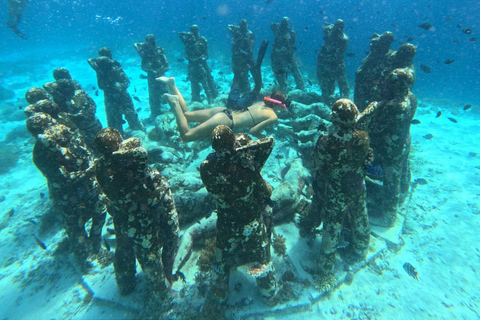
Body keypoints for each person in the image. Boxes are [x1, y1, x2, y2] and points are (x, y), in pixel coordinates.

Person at [200, 125, 279, 309]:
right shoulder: (245, 168)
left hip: (226, 221)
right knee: (262, 259)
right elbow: (266, 190)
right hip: (250, 221)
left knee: (221, 261)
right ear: (233, 144)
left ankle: (219, 294)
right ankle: (269, 294)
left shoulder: (206, 168)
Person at [94, 127, 180, 296]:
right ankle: (162, 293)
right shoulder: (128, 162)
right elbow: (148, 188)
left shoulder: (100, 167)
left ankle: (125, 284)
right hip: (142, 219)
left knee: (124, 247)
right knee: (150, 255)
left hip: (122, 216)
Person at [302, 99, 372, 291]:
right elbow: (365, 157)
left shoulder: (326, 140)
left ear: (335, 118)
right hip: (358, 184)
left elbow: (316, 163)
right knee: (360, 215)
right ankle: (360, 249)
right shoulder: (363, 135)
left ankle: (326, 271)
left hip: (336, 189)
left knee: (332, 227)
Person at [25, 112, 106, 268]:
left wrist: (87, 172)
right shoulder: (69, 134)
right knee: (96, 214)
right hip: (88, 186)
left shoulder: (39, 152)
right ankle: (94, 248)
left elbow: (60, 178)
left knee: (76, 227)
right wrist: (90, 172)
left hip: (67, 195)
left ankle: (87, 256)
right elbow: (86, 157)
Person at [158, 76, 289, 142]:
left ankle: (172, 85)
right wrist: (263, 138)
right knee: (186, 136)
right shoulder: (273, 117)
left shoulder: (261, 103)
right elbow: (253, 130)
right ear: (279, 104)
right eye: (285, 104)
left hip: (222, 111)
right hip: (227, 121)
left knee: (186, 114)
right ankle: (174, 103)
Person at [366, 68, 417, 228]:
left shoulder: (393, 105)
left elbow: (377, 128)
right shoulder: (411, 98)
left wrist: (376, 108)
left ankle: (388, 217)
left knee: (390, 181)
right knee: (402, 170)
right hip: (404, 141)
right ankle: (404, 191)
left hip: (390, 148)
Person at [88, 47, 144, 134]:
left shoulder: (114, 66)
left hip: (120, 95)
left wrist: (117, 87)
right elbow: (90, 61)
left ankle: (139, 133)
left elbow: (126, 82)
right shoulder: (99, 69)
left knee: (130, 116)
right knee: (114, 122)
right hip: (111, 97)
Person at [178, 25, 218, 104]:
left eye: (195, 30)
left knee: (208, 78)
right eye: (193, 30)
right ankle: (196, 99)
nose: (194, 32)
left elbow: (206, 52)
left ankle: (214, 95)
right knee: (193, 80)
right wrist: (187, 34)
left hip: (202, 62)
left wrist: (203, 58)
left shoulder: (202, 39)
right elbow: (180, 34)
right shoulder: (188, 39)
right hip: (192, 63)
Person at [134, 34, 170, 118]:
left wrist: (161, 70)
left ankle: (171, 108)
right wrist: (152, 71)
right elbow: (143, 66)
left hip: (161, 74)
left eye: (152, 40)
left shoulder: (159, 49)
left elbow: (166, 63)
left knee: (165, 91)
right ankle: (155, 113)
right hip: (151, 76)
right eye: (149, 41)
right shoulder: (144, 52)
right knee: (153, 95)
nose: (151, 42)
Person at [317, 19, 350, 104]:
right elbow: (325, 26)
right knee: (325, 81)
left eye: (339, 27)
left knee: (342, 83)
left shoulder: (344, 39)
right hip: (325, 61)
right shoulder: (330, 30)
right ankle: (326, 99)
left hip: (337, 63)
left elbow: (338, 53)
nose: (337, 29)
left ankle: (346, 102)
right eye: (336, 26)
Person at [270, 17, 304, 91]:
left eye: (286, 23)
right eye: (283, 22)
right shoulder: (278, 30)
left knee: (295, 70)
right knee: (280, 71)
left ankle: (301, 87)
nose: (284, 24)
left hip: (289, 55)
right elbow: (272, 25)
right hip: (277, 55)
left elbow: (291, 43)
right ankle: (283, 86)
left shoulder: (291, 33)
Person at [228, 19, 256, 95]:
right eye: (241, 24)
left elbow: (251, 46)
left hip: (246, 57)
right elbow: (229, 26)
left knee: (244, 75)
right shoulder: (237, 32)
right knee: (236, 75)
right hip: (236, 58)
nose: (243, 26)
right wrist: (238, 28)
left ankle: (246, 93)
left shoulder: (250, 34)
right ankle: (235, 93)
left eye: (244, 24)